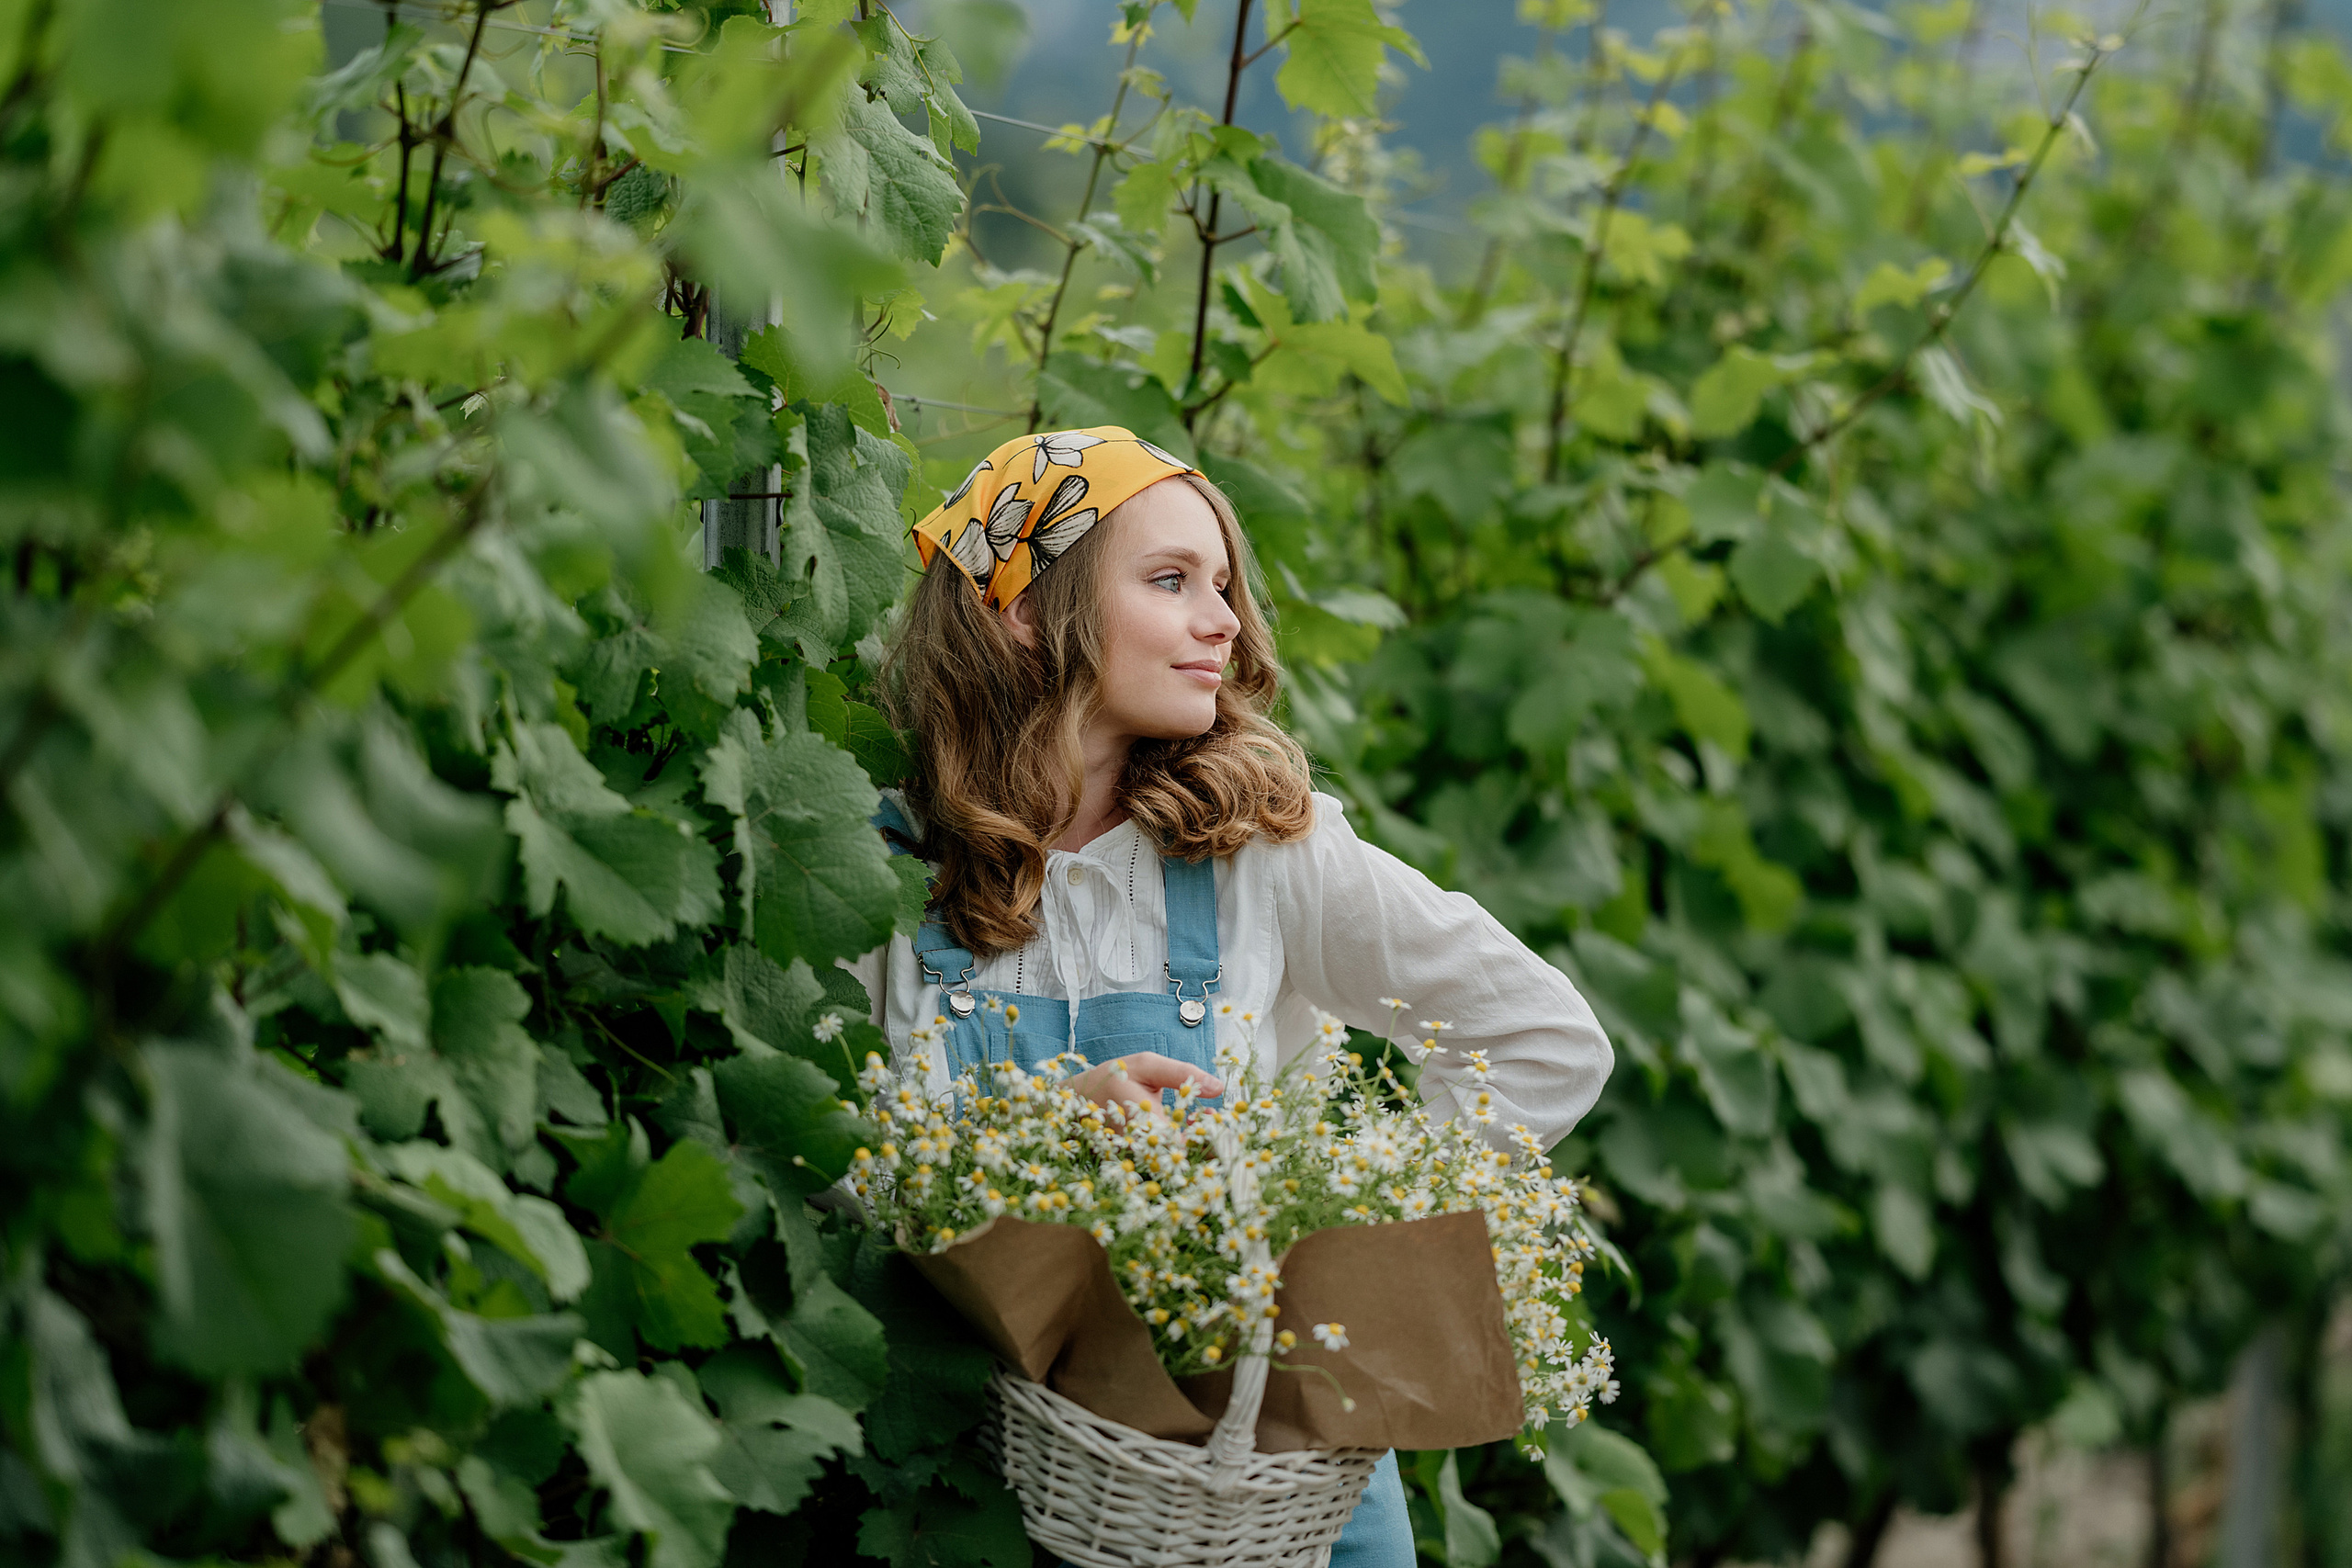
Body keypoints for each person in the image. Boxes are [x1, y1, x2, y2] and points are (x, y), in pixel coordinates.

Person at [844, 424, 1613, 1568]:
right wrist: (1052, 1134)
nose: (1226, 623)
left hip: (1277, 1505)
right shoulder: (875, 868)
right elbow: (832, 1167)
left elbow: (1545, 1036)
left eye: (1224, 587)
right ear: (1020, 609)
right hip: (990, 1494)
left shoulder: (1259, 851)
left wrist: (1335, 1225)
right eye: (1170, 581)